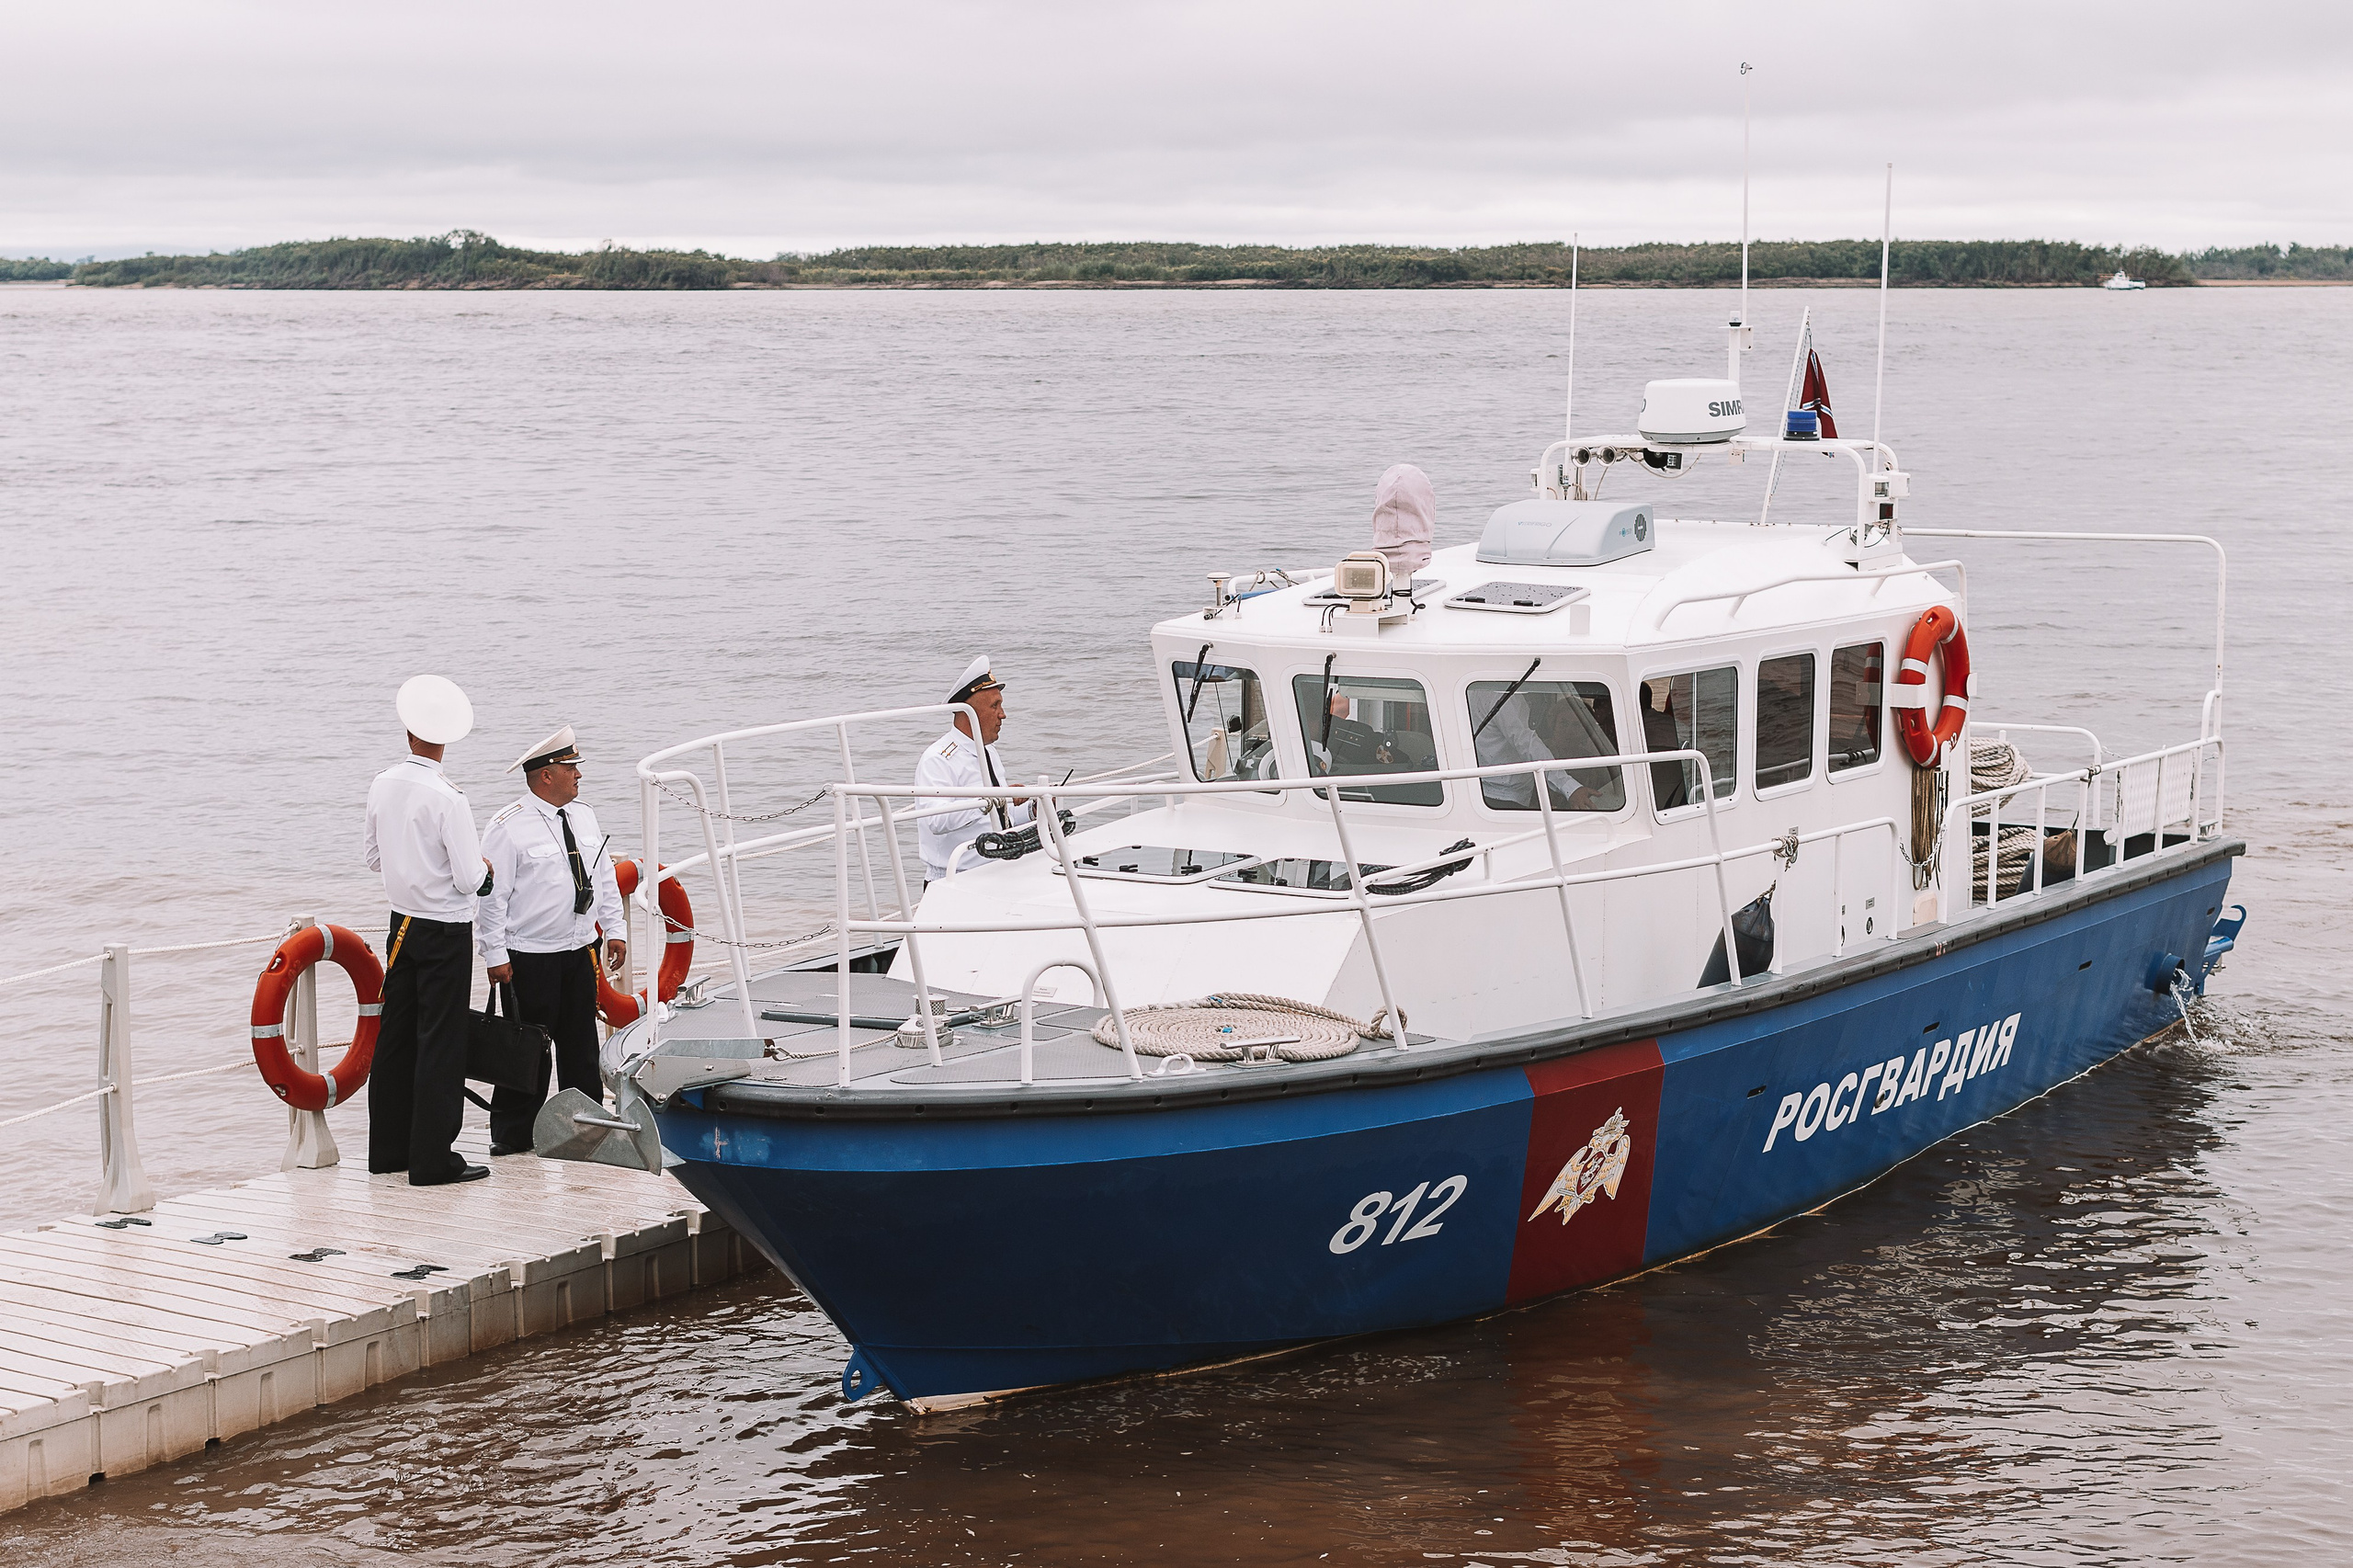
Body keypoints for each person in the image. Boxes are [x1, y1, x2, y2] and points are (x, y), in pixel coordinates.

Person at [364, 675, 493, 1186]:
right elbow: (467, 878)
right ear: (446, 739)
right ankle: (432, 1159)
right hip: (444, 929)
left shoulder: (382, 782)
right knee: (440, 1040)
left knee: (394, 1037)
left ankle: (388, 1151)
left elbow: (373, 858)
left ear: (409, 731)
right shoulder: (449, 798)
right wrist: (483, 869)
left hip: (401, 923)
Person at [477, 724, 627, 1156]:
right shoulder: (507, 828)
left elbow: (601, 877)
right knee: (526, 1051)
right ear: (546, 774)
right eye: (571, 767)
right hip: (529, 957)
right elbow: (491, 897)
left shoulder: (585, 815)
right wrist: (495, 954)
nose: (579, 774)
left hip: (578, 950)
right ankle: (512, 1135)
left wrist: (613, 929)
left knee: (581, 1046)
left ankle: (586, 1126)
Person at [915, 656, 1032, 882]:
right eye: (994, 706)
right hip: (953, 879)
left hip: (995, 872)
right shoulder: (938, 759)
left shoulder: (989, 753)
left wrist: (1031, 809)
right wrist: (987, 798)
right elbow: (936, 821)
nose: (1003, 714)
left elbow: (996, 820)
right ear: (969, 713)